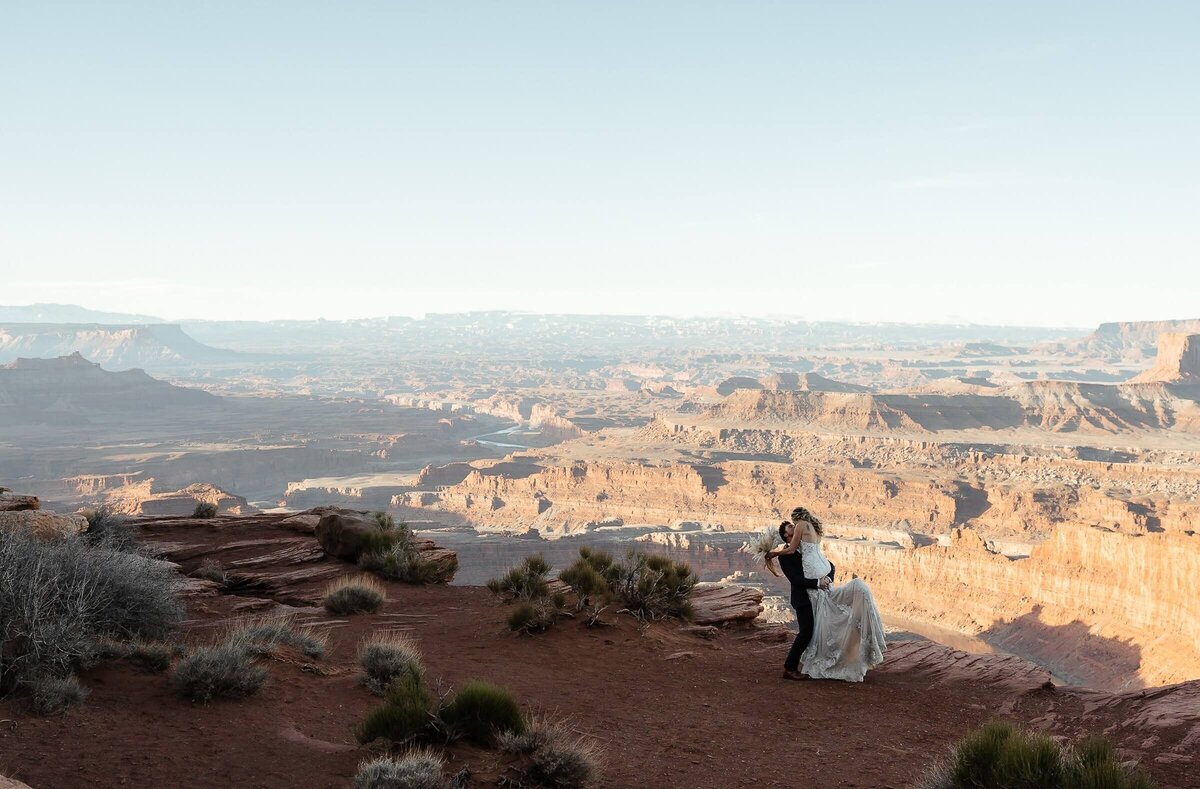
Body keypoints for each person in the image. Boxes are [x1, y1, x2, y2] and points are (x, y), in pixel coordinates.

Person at [766, 506, 886, 682]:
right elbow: (795, 579)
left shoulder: (806, 547)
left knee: (824, 630)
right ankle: (789, 668)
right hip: (803, 599)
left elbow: (830, 565)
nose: (794, 527)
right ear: (786, 537)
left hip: (820, 593)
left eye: (793, 525)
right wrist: (816, 583)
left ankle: (837, 659)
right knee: (806, 632)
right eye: (790, 528)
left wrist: (827, 578)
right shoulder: (786, 556)